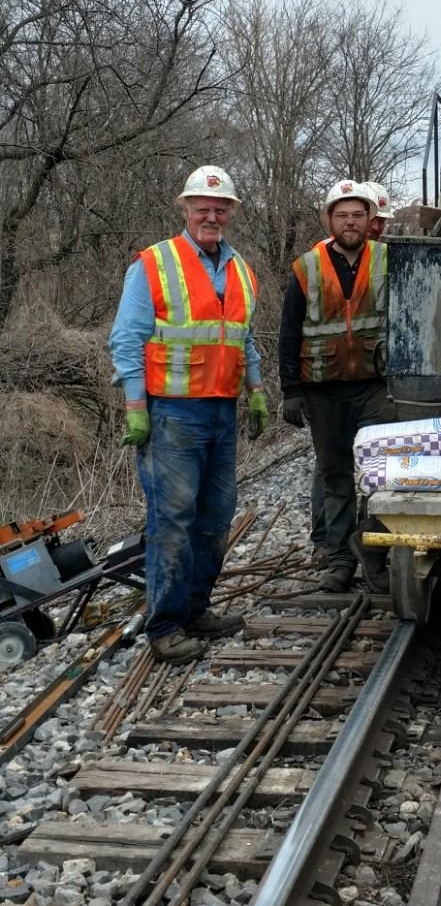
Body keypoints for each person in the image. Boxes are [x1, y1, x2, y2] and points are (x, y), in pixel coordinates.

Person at [108, 166, 267, 664]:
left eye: (221, 209)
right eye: (202, 207)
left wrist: (256, 390)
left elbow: (244, 337)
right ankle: (166, 625)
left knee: (214, 519)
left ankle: (196, 609)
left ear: (232, 213)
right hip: (172, 413)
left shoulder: (241, 269)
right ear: (185, 209)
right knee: (172, 520)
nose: (211, 215)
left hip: (221, 410)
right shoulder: (154, 263)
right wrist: (136, 405)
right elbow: (126, 339)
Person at [278, 179, 394, 592]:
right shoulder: (306, 267)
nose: (351, 222)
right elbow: (289, 331)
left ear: (370, 219)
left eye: (358, 214)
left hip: (374, 385)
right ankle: (339, 559)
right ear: (330, 219)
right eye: (342, 214)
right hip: (322, 389)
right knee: (335, 474)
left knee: (383, 473)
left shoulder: (387, 259)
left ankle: (377, 556)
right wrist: (290, 389)